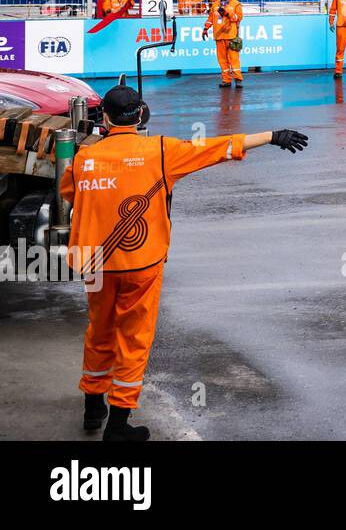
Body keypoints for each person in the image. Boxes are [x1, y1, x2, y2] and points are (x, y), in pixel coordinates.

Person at [60, 83, 308, 441]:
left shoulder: (84, 158)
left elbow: (70, 192)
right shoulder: (162, 151)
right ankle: (117, 426)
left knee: (99, 331)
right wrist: (272, 135)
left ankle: (92, 408)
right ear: (142, 115)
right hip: (141, 263)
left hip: (95, 263)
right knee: (133, 338)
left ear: (106, 119)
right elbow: (218, 148)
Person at [202, 0, 244, 88]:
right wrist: (205, 29)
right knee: (222, 60)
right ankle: (226, 80)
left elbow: (238, 18)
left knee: (233, 59)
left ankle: (238, 79)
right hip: (219, 37)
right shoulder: (215, 5)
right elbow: (210, 19)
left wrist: (227, 13)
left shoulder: (236, 4)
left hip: (231, 36)